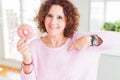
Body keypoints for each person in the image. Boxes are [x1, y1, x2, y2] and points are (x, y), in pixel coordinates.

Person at [17, 0, 120, 80]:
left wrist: (91, 40)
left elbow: (117, 39)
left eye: (59, 17)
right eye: (50, 15)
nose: (53, 22)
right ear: (43, 17)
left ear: (67, 21)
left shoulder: (81, 39)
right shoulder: (34, 45)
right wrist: (27, 58)